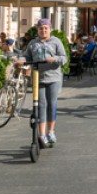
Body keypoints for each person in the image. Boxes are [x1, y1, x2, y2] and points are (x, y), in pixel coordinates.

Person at [21, 18, 67, 148]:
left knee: (51, 104)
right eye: (41, 28)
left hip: (54, 78)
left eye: (46, 28)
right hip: (38, 78)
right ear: (37, 30)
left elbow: (64, 58)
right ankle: (41, 134)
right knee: (41, 105)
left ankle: (50, 131)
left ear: (50, 29)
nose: (43, 30)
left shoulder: (56, 41)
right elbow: (27, 56)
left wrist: (55, 59)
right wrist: (20, 59)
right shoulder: (33, 43)